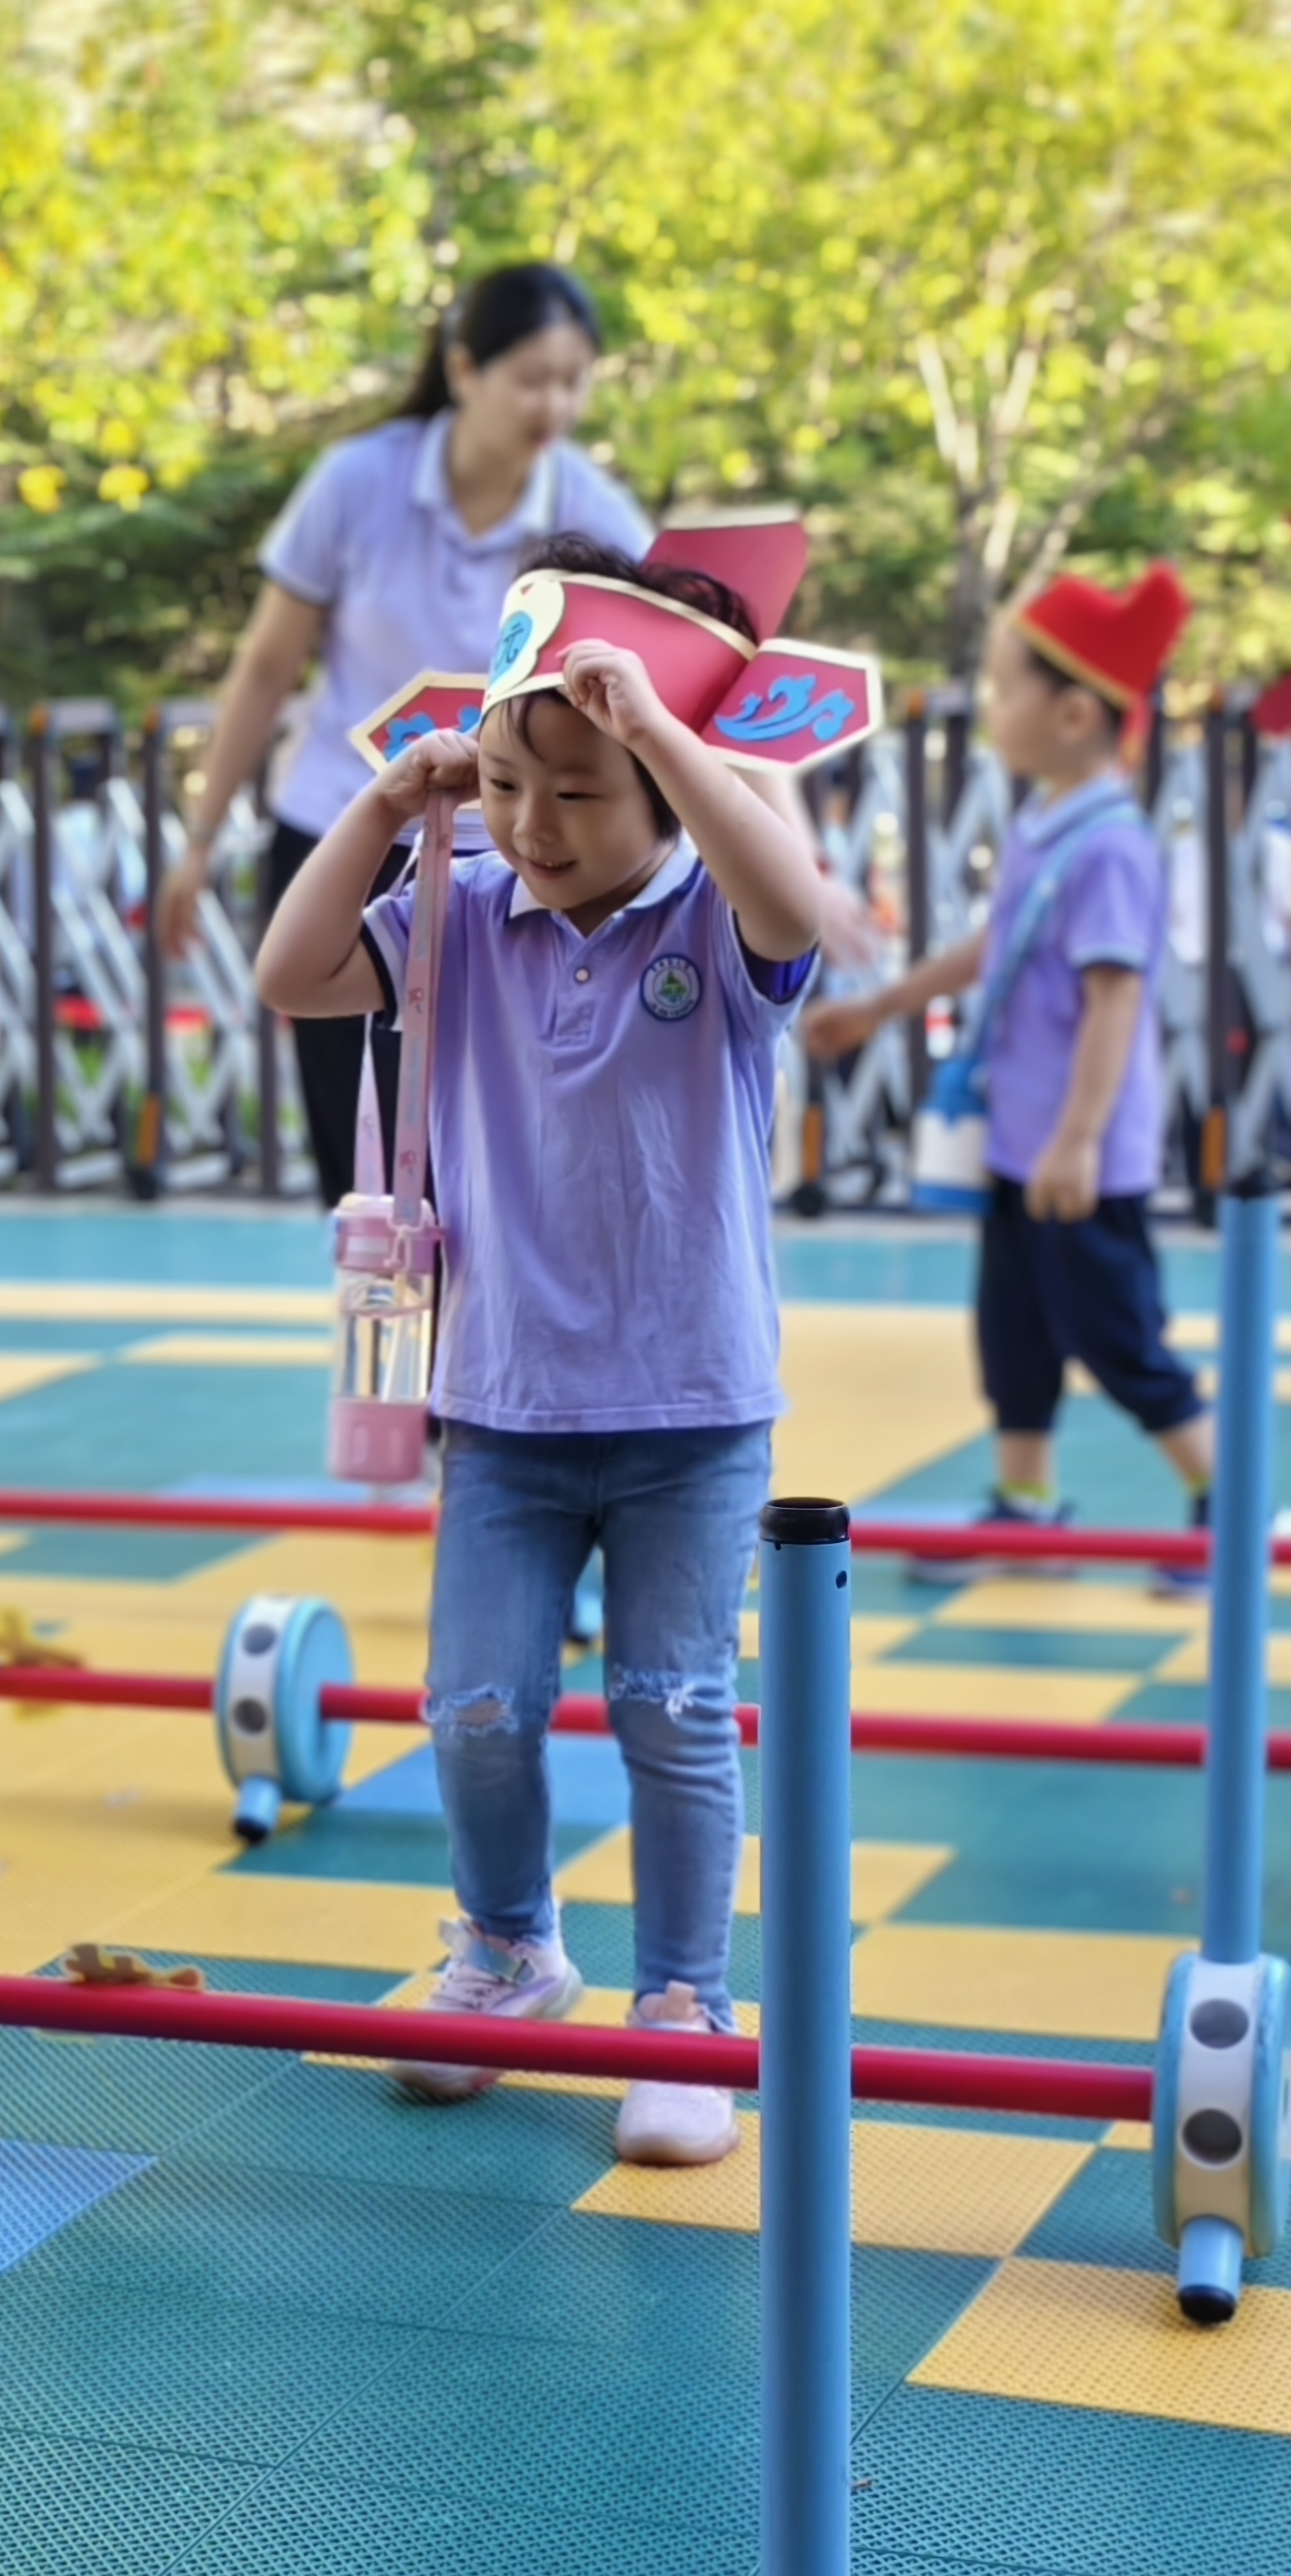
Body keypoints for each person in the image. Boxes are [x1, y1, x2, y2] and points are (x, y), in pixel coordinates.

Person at [254, 524, 867, 2167]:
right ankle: (505, 1949)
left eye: (578, 794)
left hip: (688, 1406)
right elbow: (287, 971)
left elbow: (794, 896)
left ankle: (682, 2005)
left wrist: (665, 730)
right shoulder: (457, 907)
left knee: (671, 1704)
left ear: (666, 797)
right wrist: (390, 805)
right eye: (510, 784)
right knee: (471, 1703)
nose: (530, 825)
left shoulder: (710, 938)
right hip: (501, 1406)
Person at [159, 263, 651, 1208]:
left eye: (573, 379)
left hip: (512, 862)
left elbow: (688, 670)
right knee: (361, 1164)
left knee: (485, 1161)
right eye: (531, 377)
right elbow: (266, 668)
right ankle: (375, 1343)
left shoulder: (592, 514)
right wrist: (200, 837)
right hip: (345, 837)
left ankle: (475, 1358)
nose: (555, 402)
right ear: (463, 370)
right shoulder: (356, 482)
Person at [799, 568, 1207, 1588]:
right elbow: (995, 946)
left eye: (1003, 689)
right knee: (1013, 1334)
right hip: (1022, 1146)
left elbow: (1114, 1000)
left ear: (1074, 712)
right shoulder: (1047, 821)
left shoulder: (1109, 845)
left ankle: (1227, 1503)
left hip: (1077, 1157)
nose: (992, 709)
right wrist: (880, 1007)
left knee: (1120, 1341)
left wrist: (1078, 1138)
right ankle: (1028, 1510)